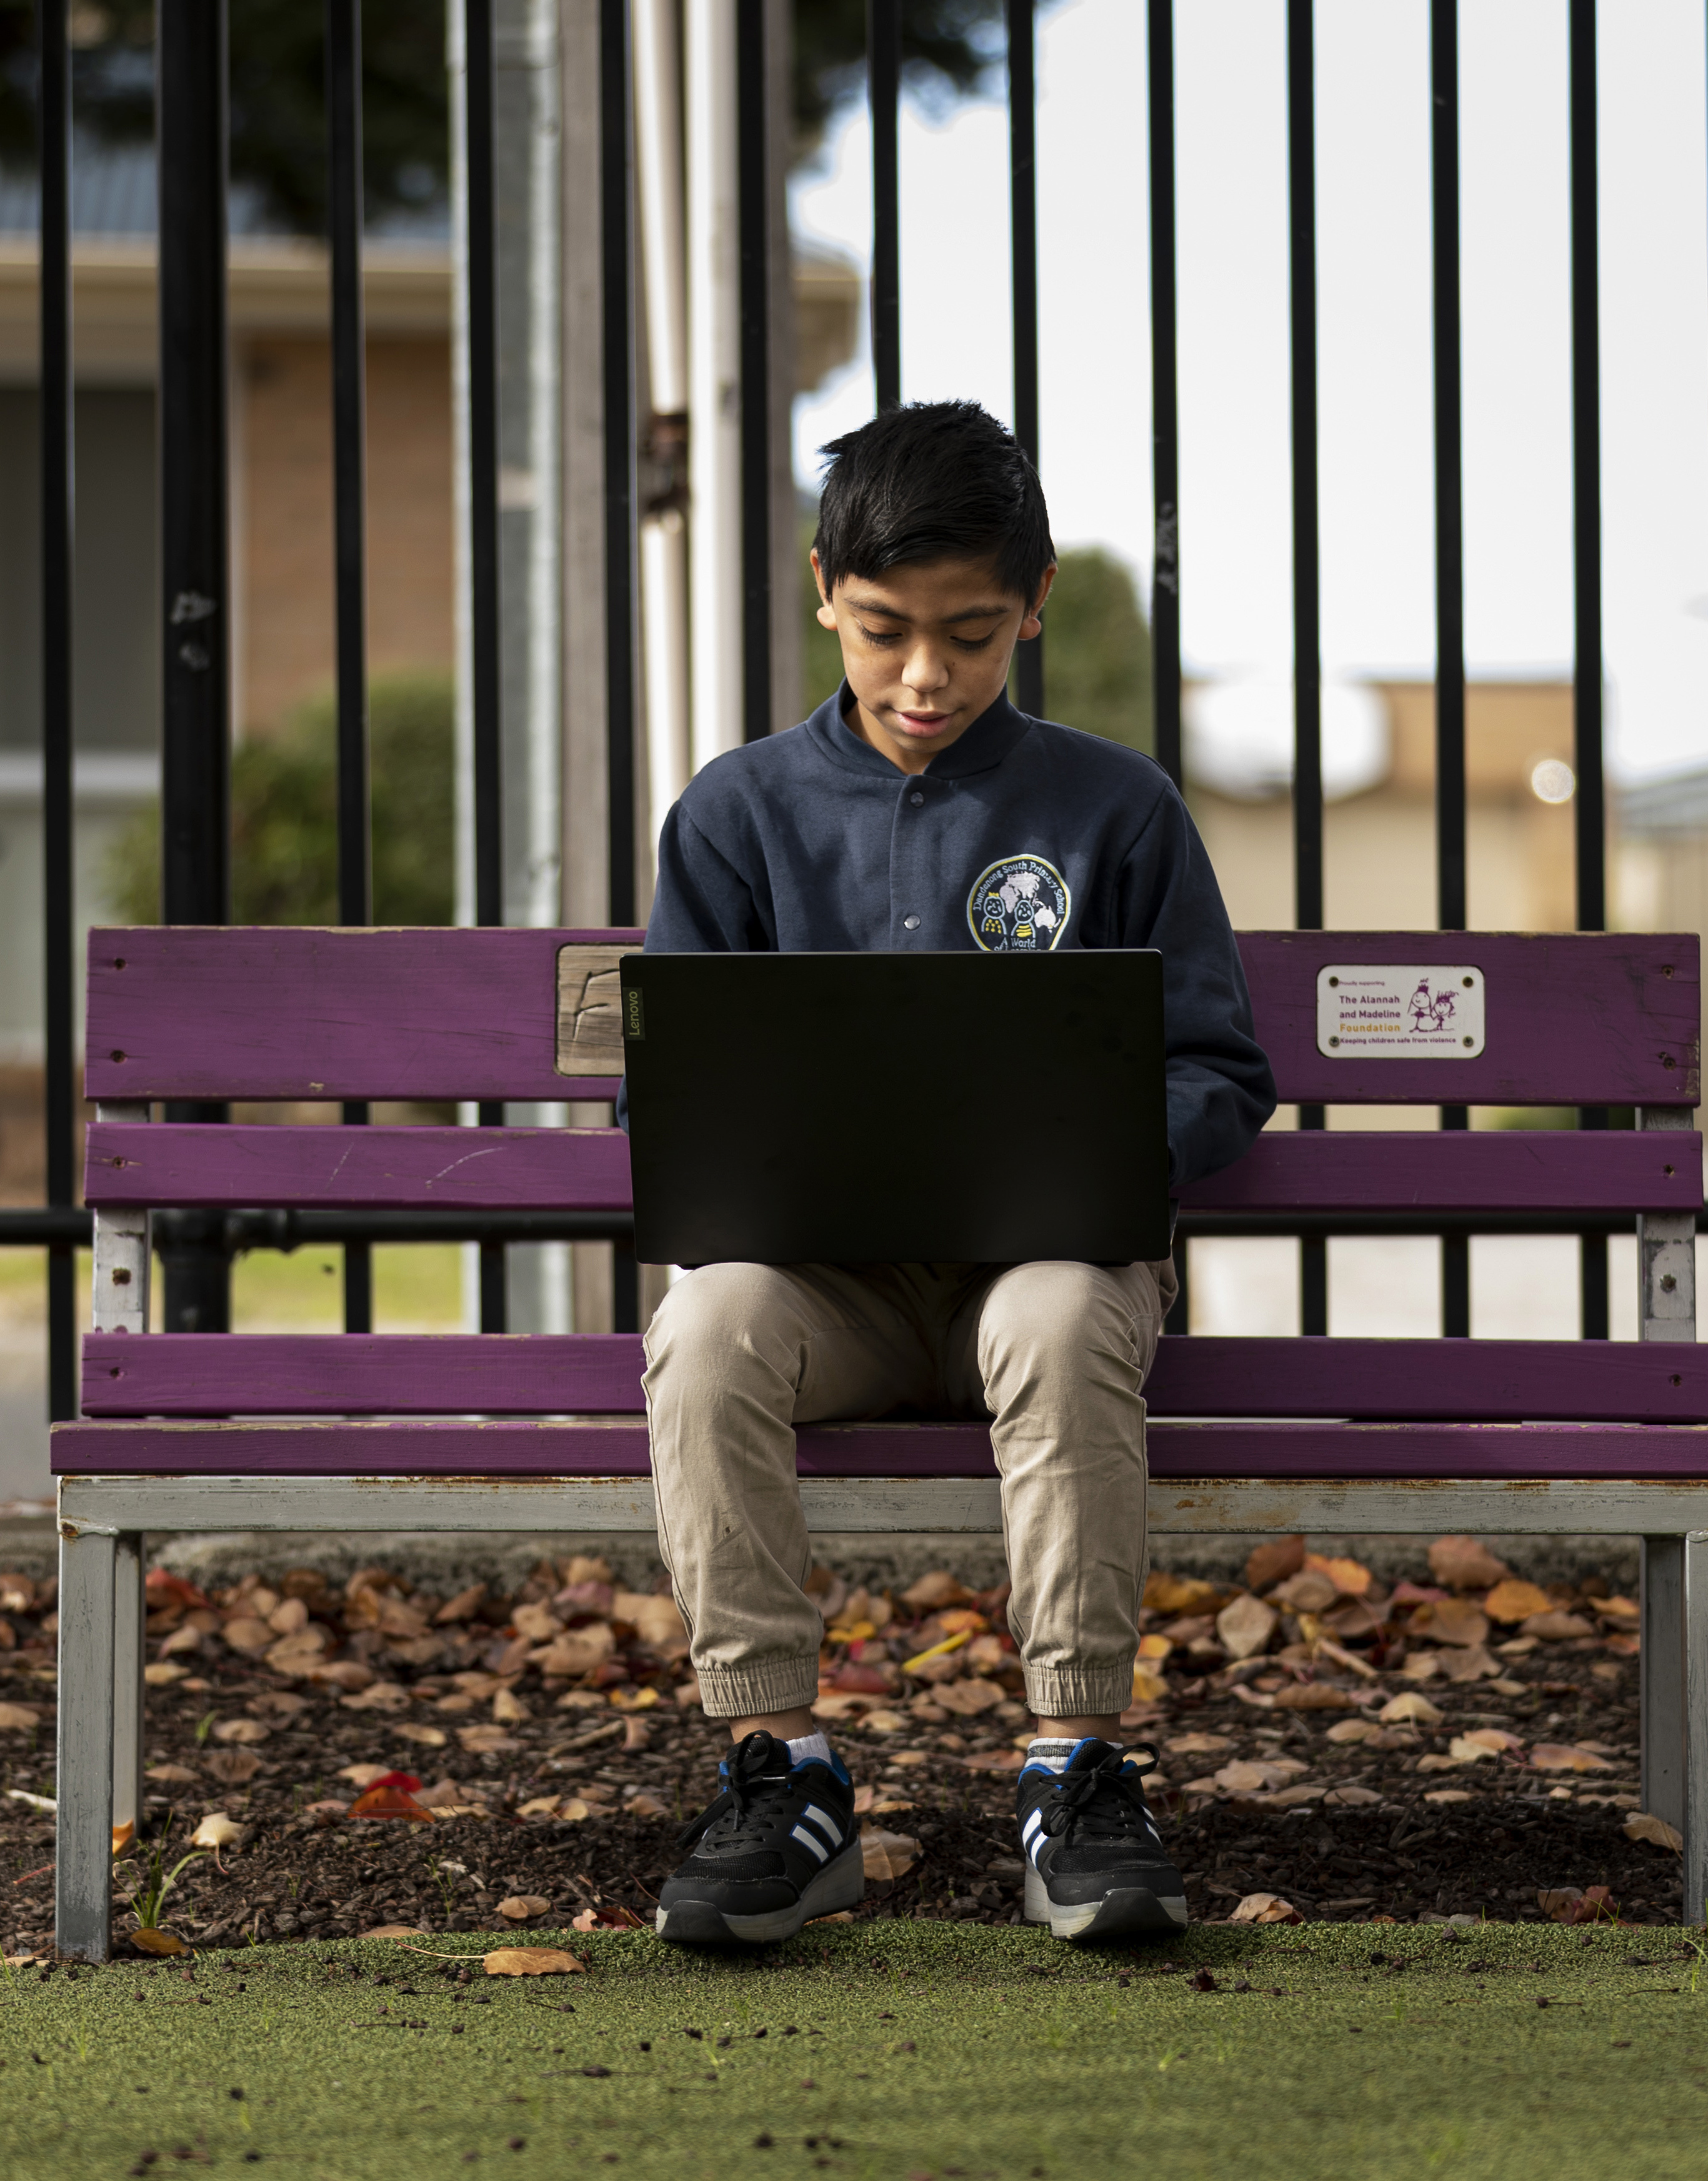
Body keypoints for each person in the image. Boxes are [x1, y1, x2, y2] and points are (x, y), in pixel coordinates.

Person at [639, 401, 1276, 1945]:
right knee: (706, 1325)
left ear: (1033, 604)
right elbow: (684, 1088)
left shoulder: (1113, 808)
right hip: (824, 1289)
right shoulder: (736, 816)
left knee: (1062, 1318)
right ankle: (777, 1767)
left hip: (1039, 1269)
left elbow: (1221, 1067)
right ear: (819, 592)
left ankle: (1073, 1760)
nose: (924, 675)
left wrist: (1112, 1146)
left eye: (971, 635)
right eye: (881, 633)